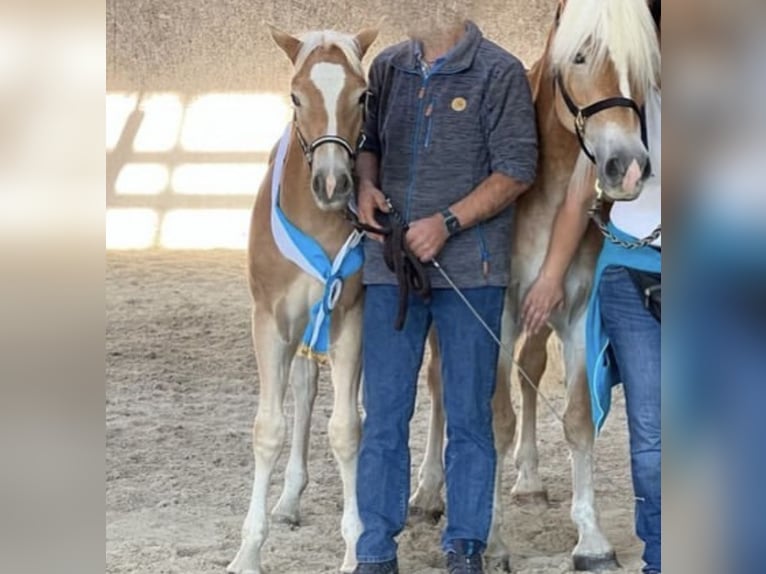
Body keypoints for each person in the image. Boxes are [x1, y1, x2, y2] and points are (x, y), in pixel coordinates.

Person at [352, 9, 537, 574]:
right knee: (382, 414)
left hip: (472, 272)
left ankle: (465, 546)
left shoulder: (499, 71)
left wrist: (447, 223)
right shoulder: (387, 67)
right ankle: (376, 550)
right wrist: (364, 183)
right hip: (391, 270)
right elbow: (369, 140)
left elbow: (516, 169)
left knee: (468, 417)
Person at [521, 3, 662, 573]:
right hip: (633, 272)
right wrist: (551, 275)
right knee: (652, 436)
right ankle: (663, 557)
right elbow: (581, 193)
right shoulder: (628, 101)